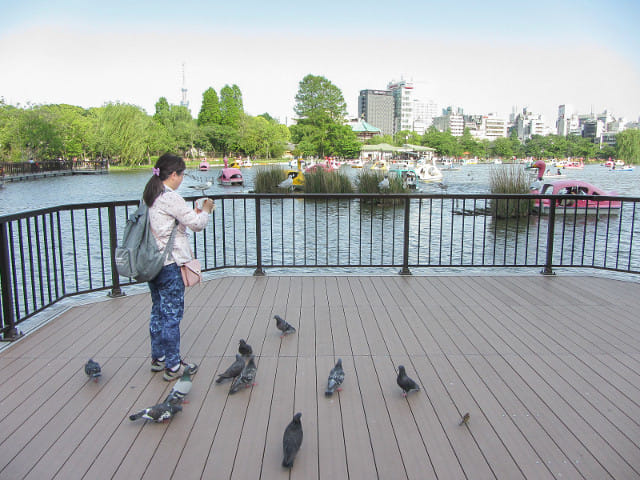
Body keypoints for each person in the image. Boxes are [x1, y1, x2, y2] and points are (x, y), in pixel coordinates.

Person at [142, 153, 214, 381]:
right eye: (181, 174)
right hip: (170, 263)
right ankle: (173, 366)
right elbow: (196, 225)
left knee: (158, 311)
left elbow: (168, 224)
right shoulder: (170, 197)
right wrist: (206, 210)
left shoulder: (149, 195)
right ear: (173, 174)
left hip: (152, 262)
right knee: (172, 314)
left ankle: (158, 357)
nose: (182, 179)